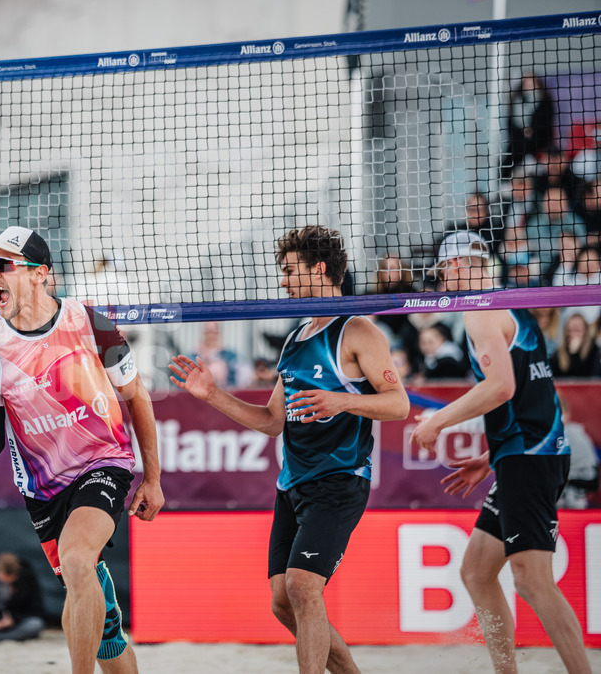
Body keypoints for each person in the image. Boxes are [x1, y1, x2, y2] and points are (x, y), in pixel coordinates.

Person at [169, 225, 409, 674]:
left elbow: (399, 404)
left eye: (289, 270)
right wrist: (212, 395)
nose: (282, 281)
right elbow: (271, 421)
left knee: (303, 587)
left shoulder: (356, 330)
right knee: (283, 602)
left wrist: (340, 400)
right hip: (292, 484)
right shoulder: (296, 336)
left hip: (340, 479)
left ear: (319, 269)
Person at [0, 226, 163, 674]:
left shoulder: (90, 323)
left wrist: (151, 477)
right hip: (43, 489)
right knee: (104, 628)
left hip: (104, 464)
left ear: (40, 274)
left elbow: (137, 396)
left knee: (78, 561)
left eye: (4, 264)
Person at [410, 231, 591, 674]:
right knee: (476, 571)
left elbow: (502, 388)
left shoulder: (478, 312)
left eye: (442, 273)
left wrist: (436, 421)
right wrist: (491, 457)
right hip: (523, 453)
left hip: (532, 456)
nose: (441, 284)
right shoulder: (512, 304)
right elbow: (531, 397)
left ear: (453, 268)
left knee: (532, 581)